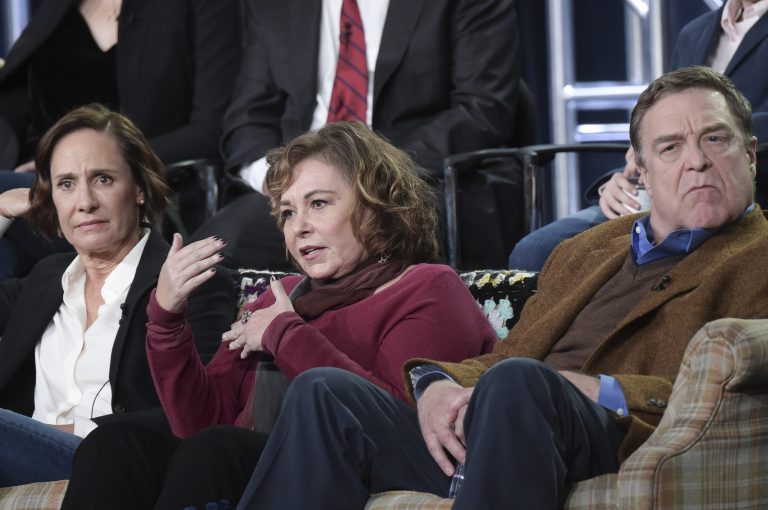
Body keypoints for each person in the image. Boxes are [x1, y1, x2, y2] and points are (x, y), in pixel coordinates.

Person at [234, 66, 768, 509]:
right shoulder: (583, 250)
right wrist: (436, 384)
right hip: (507, 425)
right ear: (641, 173)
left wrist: (600, 389)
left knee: (520, 383)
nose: (697, 159)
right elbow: (511, 353)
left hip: (619, 430)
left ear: (749, 152)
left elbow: (710, 391)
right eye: (671, 147)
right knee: (325, 392)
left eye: (715, 139)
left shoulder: (759, 255)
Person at [61, 121, 497, 510]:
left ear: (376, 206)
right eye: (288, 212)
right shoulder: (281, 296)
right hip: (251, 451)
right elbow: (200, 421)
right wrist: (167, 316)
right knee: (117, 443)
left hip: (347, 463)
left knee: (218, 450)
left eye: (319, 204)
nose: (298, 226)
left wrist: (285, 334)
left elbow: (390, 418)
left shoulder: (426, 288)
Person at [190, 0, 523, 271]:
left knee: (377, 252)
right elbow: (248, 118)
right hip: (296, 189)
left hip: (415, 180)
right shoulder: (275, 7)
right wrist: (280, 183)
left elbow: (482, 109)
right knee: (204, 262)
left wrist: (367, 176)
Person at [0, 104, 235, 488]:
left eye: (103, 179)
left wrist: (81, 428)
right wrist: (1, 211)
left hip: (114, 458)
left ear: (140, 188)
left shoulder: (192, 281)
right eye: (66, 184)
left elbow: (205, 407)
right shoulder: (44, 280)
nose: (85, 202)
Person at [508, 0, 768, 271]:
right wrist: (631, 174)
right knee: (534, 252)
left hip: (744, 190)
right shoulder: (695, 32)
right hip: (663, 192)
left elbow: (698, 128)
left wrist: (716, 132)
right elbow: (670, 122)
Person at [0, 0, 241, 278]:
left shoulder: (201, 7)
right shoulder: (57, 7)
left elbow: (213, 130)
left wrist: (117, 159)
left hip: (147, 190)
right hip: (49, 181)